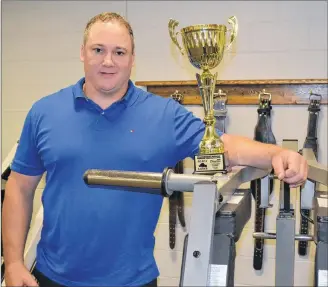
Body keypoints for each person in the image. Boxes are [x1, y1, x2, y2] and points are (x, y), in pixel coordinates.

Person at [2, 12, 308, 287]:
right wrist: (14, 263)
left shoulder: (164, 116)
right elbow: (19, 187)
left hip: (133, 280)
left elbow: (222, 145)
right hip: (52, 278)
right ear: (82, 53)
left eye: (119, 52)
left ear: (133, 59)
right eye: (98, 50)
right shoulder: (44, 112)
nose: (108, 61)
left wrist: (275, 154)